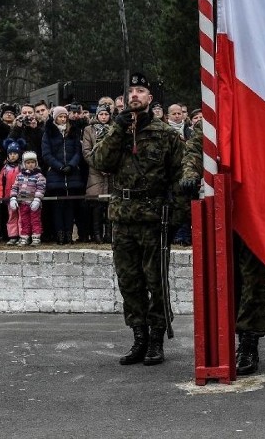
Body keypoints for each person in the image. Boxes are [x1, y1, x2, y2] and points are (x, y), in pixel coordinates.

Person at [90, 73, 185, 367]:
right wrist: (117, 129)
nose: (134, 95)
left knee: (155, 281)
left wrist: (176, 219)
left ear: (150, 98)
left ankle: (156, 339)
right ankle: (139, 337)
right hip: (122, 216)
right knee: (129, 281)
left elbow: (180, 178)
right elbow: (100, 162)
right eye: (130, 91)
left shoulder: (165, 134)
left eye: (140, 90)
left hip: (154, 218)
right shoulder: (117, 131)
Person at [180, 121, 265, 375]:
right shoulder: (212, 120)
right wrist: (190, 176)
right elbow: (194, 151)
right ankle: (229, 340)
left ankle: (248, 343)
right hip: (222, 210)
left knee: (254, 278)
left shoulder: (257, 115)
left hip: (257, 210)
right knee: (224, 277)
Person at [42, 106, 85, 245]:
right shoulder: (48, 133)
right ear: (55, 118)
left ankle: (69, 234)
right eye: (60, 116)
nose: (63, 119)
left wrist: (71, 165)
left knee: (70, 206)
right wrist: (59, 166)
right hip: (55, 175)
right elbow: (46, 154)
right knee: (57, 207)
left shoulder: (73, 132)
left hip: (72, 174)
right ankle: (59, 234)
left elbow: (78, 151)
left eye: (65, 117)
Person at [81, 105, 112, 244]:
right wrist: (99, 166)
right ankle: (97, 234)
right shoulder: (89, 130)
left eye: (106, 114)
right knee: (96, 207)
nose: (104, 117)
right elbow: (86, 151)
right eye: (101, 114)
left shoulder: (115, 129)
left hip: (112, 173)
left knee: (111, 205)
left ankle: (109, 234)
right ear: (97, 115)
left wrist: (111, 166)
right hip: (95, 173)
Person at [9, 151, 46, 246]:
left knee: (35, 220)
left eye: (32, 162)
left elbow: (41, 188)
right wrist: (13, 197)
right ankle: (25, 236)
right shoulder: (20, 175)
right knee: (24, 221)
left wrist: (37, 199)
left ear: (36, 163)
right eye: (28, 163)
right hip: (22, 203)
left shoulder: (39, 176)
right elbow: (15, 187)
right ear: (24, 164)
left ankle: (36, 237)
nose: (30, 165)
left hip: (34, 203)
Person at [0, 139, 26, 245]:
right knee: (12, 217)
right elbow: (0, 183)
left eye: (15, 153)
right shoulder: (5, 169)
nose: (13, 156)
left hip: (22, 197)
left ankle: (23, 235)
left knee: (22, 216)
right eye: (11, 153)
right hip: (9, 198)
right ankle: (13, 235)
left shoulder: (22, 168)